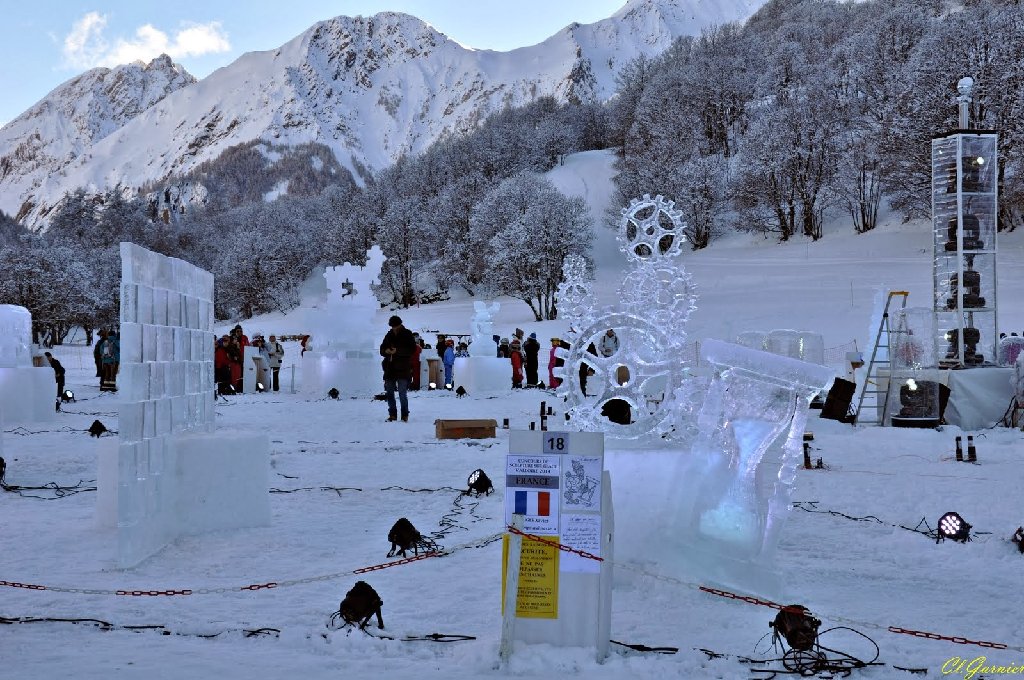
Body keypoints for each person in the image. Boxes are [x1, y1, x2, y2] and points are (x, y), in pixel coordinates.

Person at [380, 315, 416, 422]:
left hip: (403, 368)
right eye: (392, 326)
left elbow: (412, 349)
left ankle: (404, 415)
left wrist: (397, 351)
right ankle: (392, 414)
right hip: (390, 368)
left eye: (395, 326)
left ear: (400, 324)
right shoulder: (389, 334)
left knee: (402, 393)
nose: (394, 328)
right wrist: (386, 351)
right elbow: (382, 348)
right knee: (389, 392)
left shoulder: (407, 334)